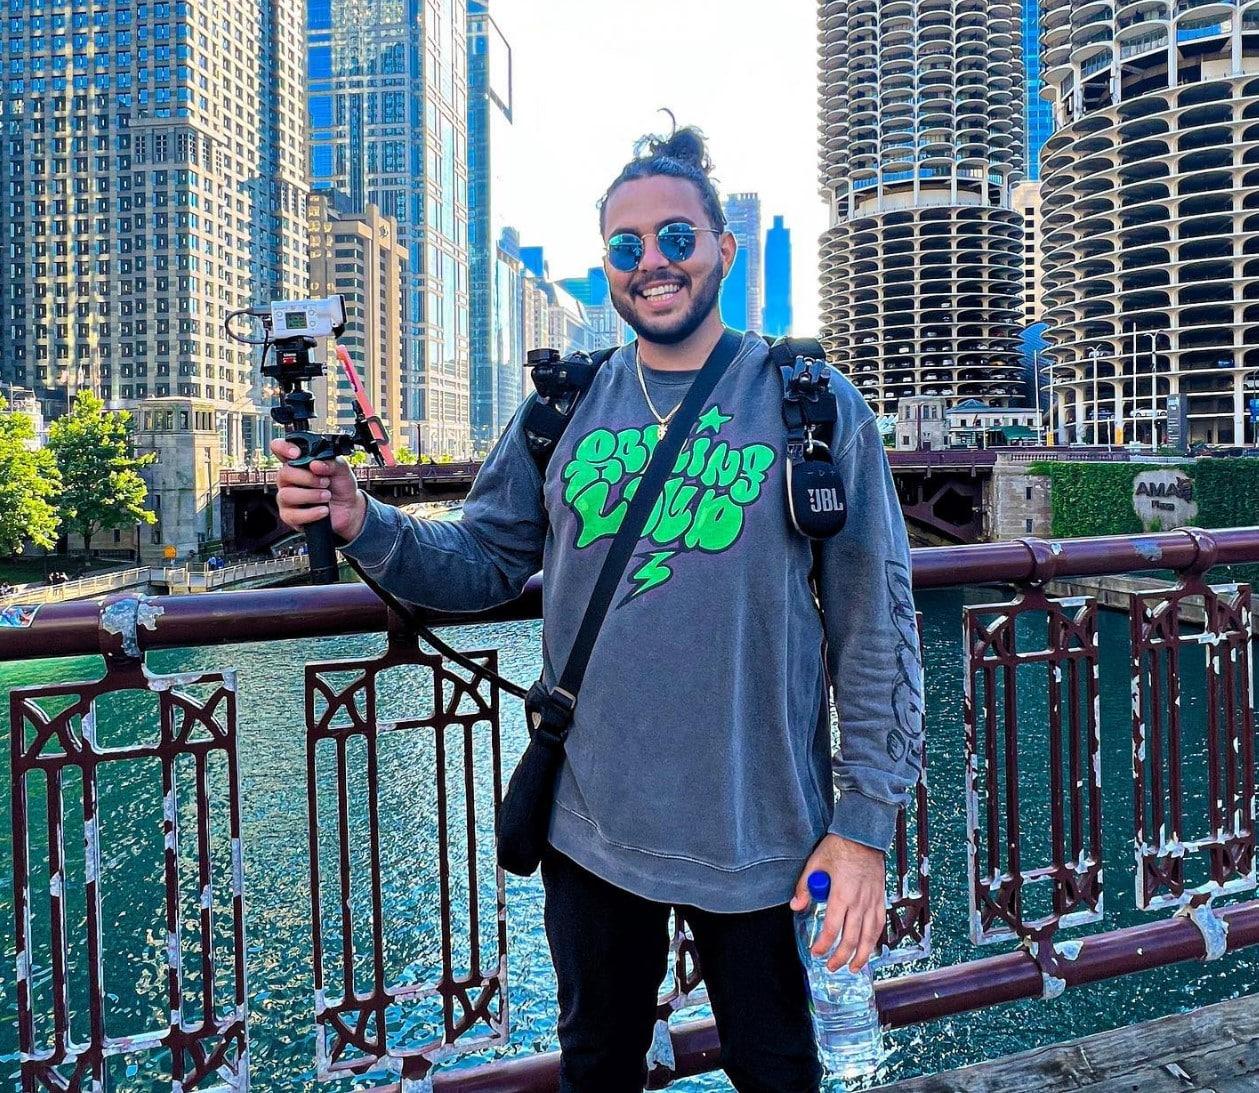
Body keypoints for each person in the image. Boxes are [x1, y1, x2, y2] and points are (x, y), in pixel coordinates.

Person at [271, 123, 924, 1093]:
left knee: (778, 1069)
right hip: (593, 833)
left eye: (674, 238)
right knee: (596, 1070)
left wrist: (863, 825)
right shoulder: (561, 405)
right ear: (606, 265)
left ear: (722, 250)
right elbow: (482, 562)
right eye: (625, 246)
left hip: (764, 839)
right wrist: (360, 519)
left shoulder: (811, 405)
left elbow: (876, 629)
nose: (651, 262)